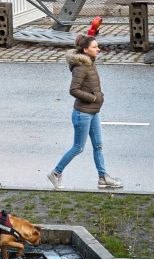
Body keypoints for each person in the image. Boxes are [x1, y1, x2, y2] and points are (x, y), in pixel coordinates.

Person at [47, 34, 122, 190]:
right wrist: (94, 98)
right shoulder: (81, 67)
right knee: (78, 147)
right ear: (86, 50)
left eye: (97, 46)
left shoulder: (90, 63)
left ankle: (103, 178)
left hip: (93, 113)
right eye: (94, 47)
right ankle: (55, 173)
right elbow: (73, 90)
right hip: (83, 114)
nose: (98, 49)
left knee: (98, 146)